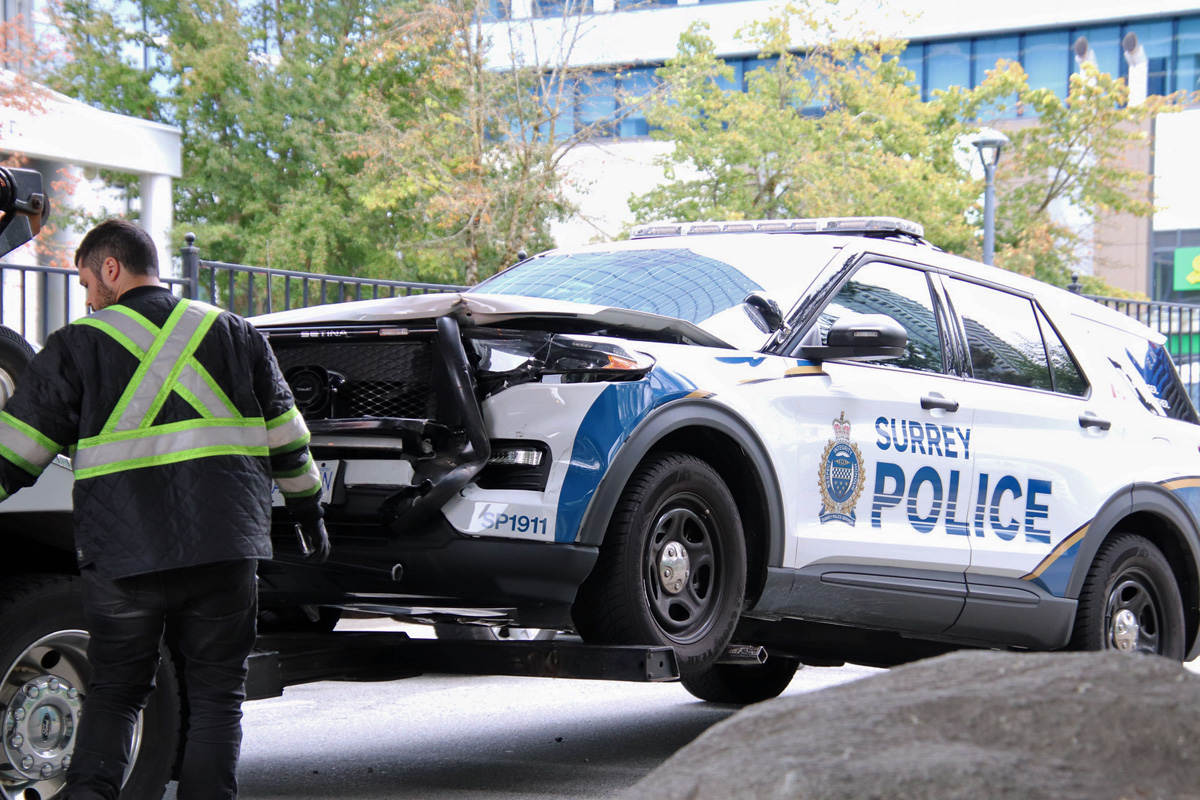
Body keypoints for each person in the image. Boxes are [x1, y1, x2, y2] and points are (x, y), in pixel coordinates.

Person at [0, 218, 330, 799]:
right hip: (225, 550)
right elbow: (287, 437)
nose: (87, 297)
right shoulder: (234, 332)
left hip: (124, 556)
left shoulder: (79, 344)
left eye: (85, 281)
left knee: (117, 692)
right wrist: (309, 511)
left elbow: (16, 453)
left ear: (110, 268)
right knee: (216, 699)